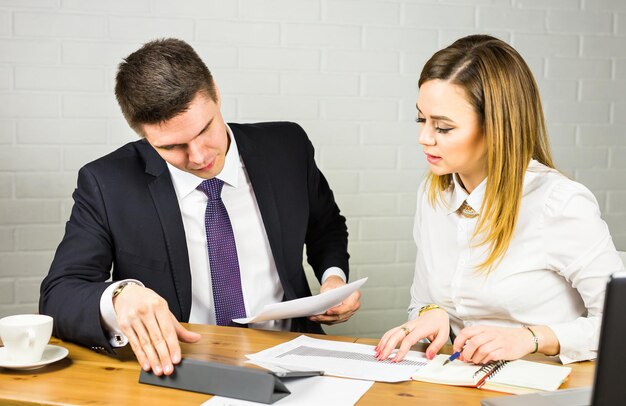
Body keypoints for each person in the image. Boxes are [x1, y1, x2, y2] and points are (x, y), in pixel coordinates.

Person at [39, 38, 360, 376]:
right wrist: (119, 297)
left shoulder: (288, 147)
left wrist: (333, 278)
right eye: (173, 146)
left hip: (292, 351)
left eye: (206, 129)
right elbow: (58, 295)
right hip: (181, 367)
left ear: (216, 94)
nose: (200, 157)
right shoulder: (106, 183)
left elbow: (326, 226)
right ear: (143, 135)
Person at [375, 34, 624, 366]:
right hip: (462, 383)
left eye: (444, 128)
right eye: (422, 119)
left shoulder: (559, 203)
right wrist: (432, 314)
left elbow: (617, 325)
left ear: (497, 127)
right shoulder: (433, 194)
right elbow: (422, 299)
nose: (423, 138)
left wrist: (532, 338)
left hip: (547, 386)